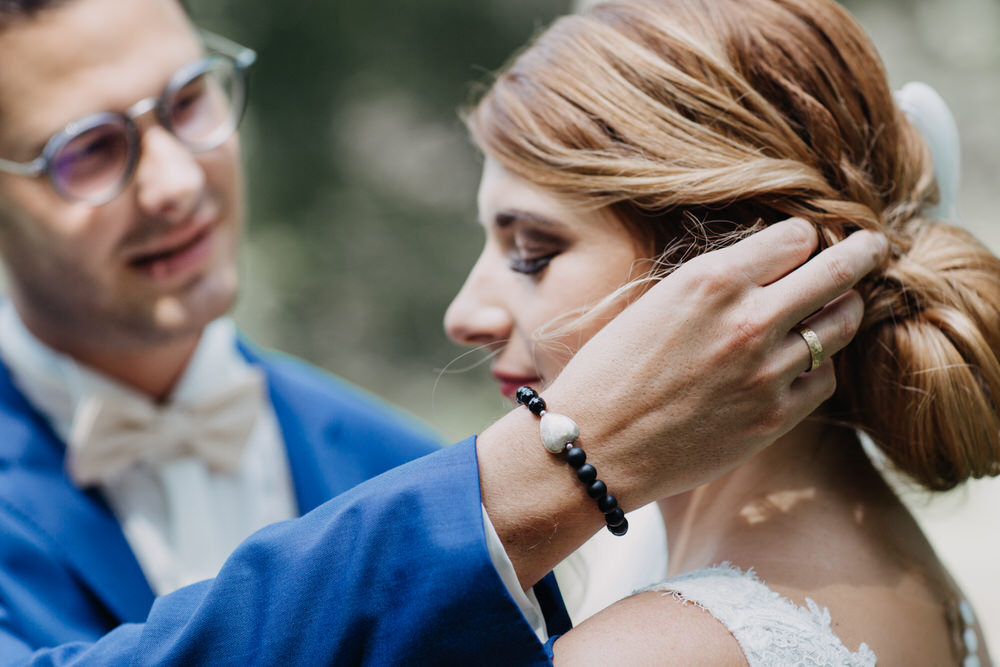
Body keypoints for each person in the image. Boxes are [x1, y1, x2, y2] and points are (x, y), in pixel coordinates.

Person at [0, 0, 886, 664]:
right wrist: (558, 466)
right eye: (90, 150)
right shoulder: (493, 496)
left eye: (190, 100)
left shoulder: (396, 459)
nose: (173, 181)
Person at [446, 0, 998, 664]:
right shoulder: (904, 569)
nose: (464, 315)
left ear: (740, 264)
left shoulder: (659, 648)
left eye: (532, 250)